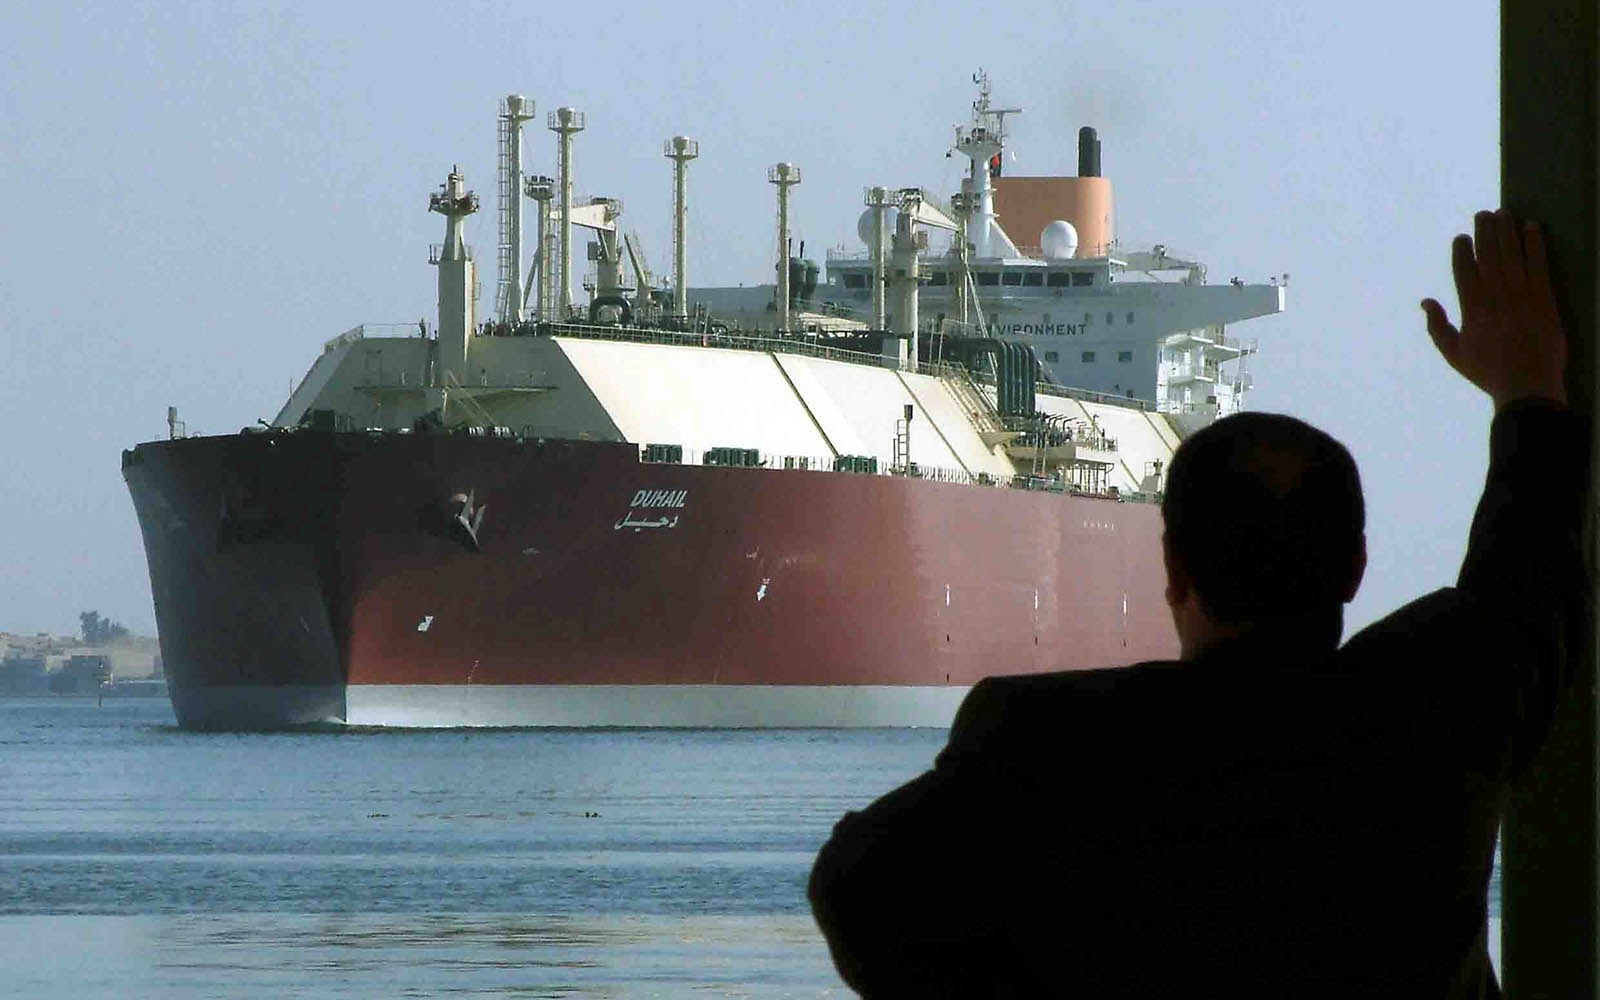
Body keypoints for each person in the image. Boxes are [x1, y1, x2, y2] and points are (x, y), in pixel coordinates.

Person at [808, 210, 1584, 998]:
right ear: (1355, 565)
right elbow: (1529, 567)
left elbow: (854, 888)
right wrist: (1527, 394)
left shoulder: (1046, 744)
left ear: (1172, 567)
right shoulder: (1435, 706)